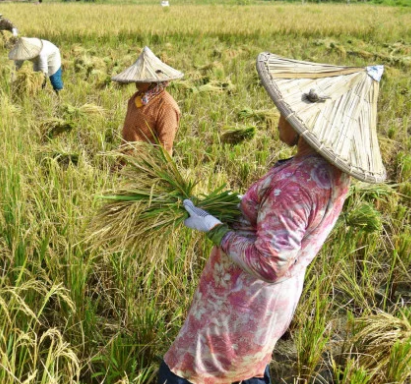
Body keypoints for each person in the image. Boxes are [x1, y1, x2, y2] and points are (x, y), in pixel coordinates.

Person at [159, 53, 387, 384]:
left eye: (285, 110)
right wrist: (248, 207)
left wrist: (215, 229)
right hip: (273, 303)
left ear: (302, 123)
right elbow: (293, 224)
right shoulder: (331, 172)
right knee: (245, 367)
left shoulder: (295, 184)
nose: (278, 115)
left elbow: (270, 263)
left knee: (194, 370)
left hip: (241, 303)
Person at [111, 47, 183, 156]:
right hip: (127, 164)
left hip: (146, 167)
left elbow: (165, 147)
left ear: (153, 81)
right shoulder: (135, 99)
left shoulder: (166, 106)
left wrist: (155, 171)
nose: (136, 80)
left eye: (142, 78)